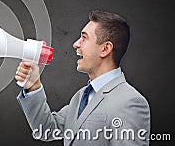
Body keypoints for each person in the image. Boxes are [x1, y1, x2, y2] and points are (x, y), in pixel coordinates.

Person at [15, 10, 150, 145]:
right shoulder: (80, 97)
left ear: (105, 49)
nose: (76, 44)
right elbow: (46, 130)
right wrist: (33, 86)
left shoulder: (130, 102)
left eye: (84, 38)